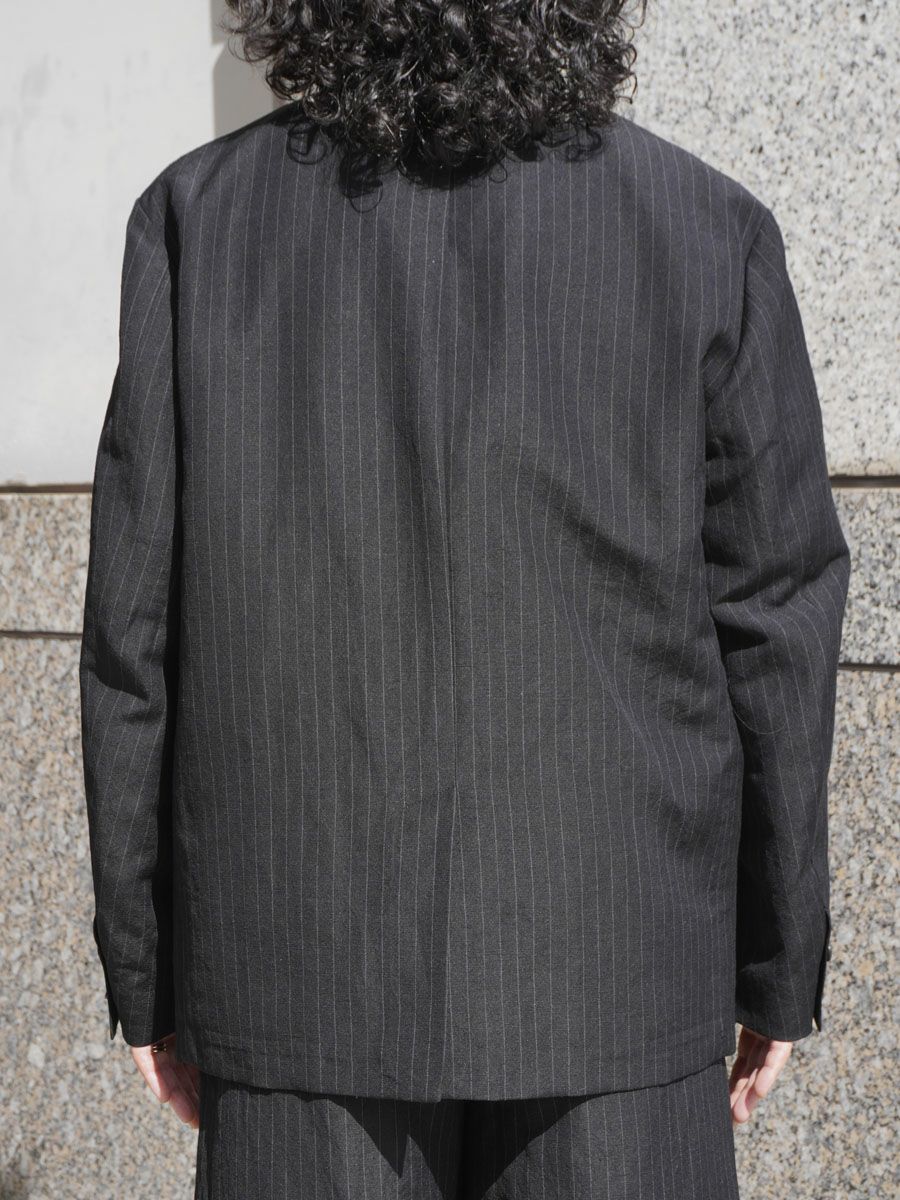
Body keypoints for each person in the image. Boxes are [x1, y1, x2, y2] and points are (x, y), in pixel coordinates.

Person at [78, 0, 851, 1195]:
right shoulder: (703, 227)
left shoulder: (200, 220)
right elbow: (778, 618)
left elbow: (135, 634)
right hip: (614, 966)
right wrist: (779, 962)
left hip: (299, 970)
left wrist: (146, 971)